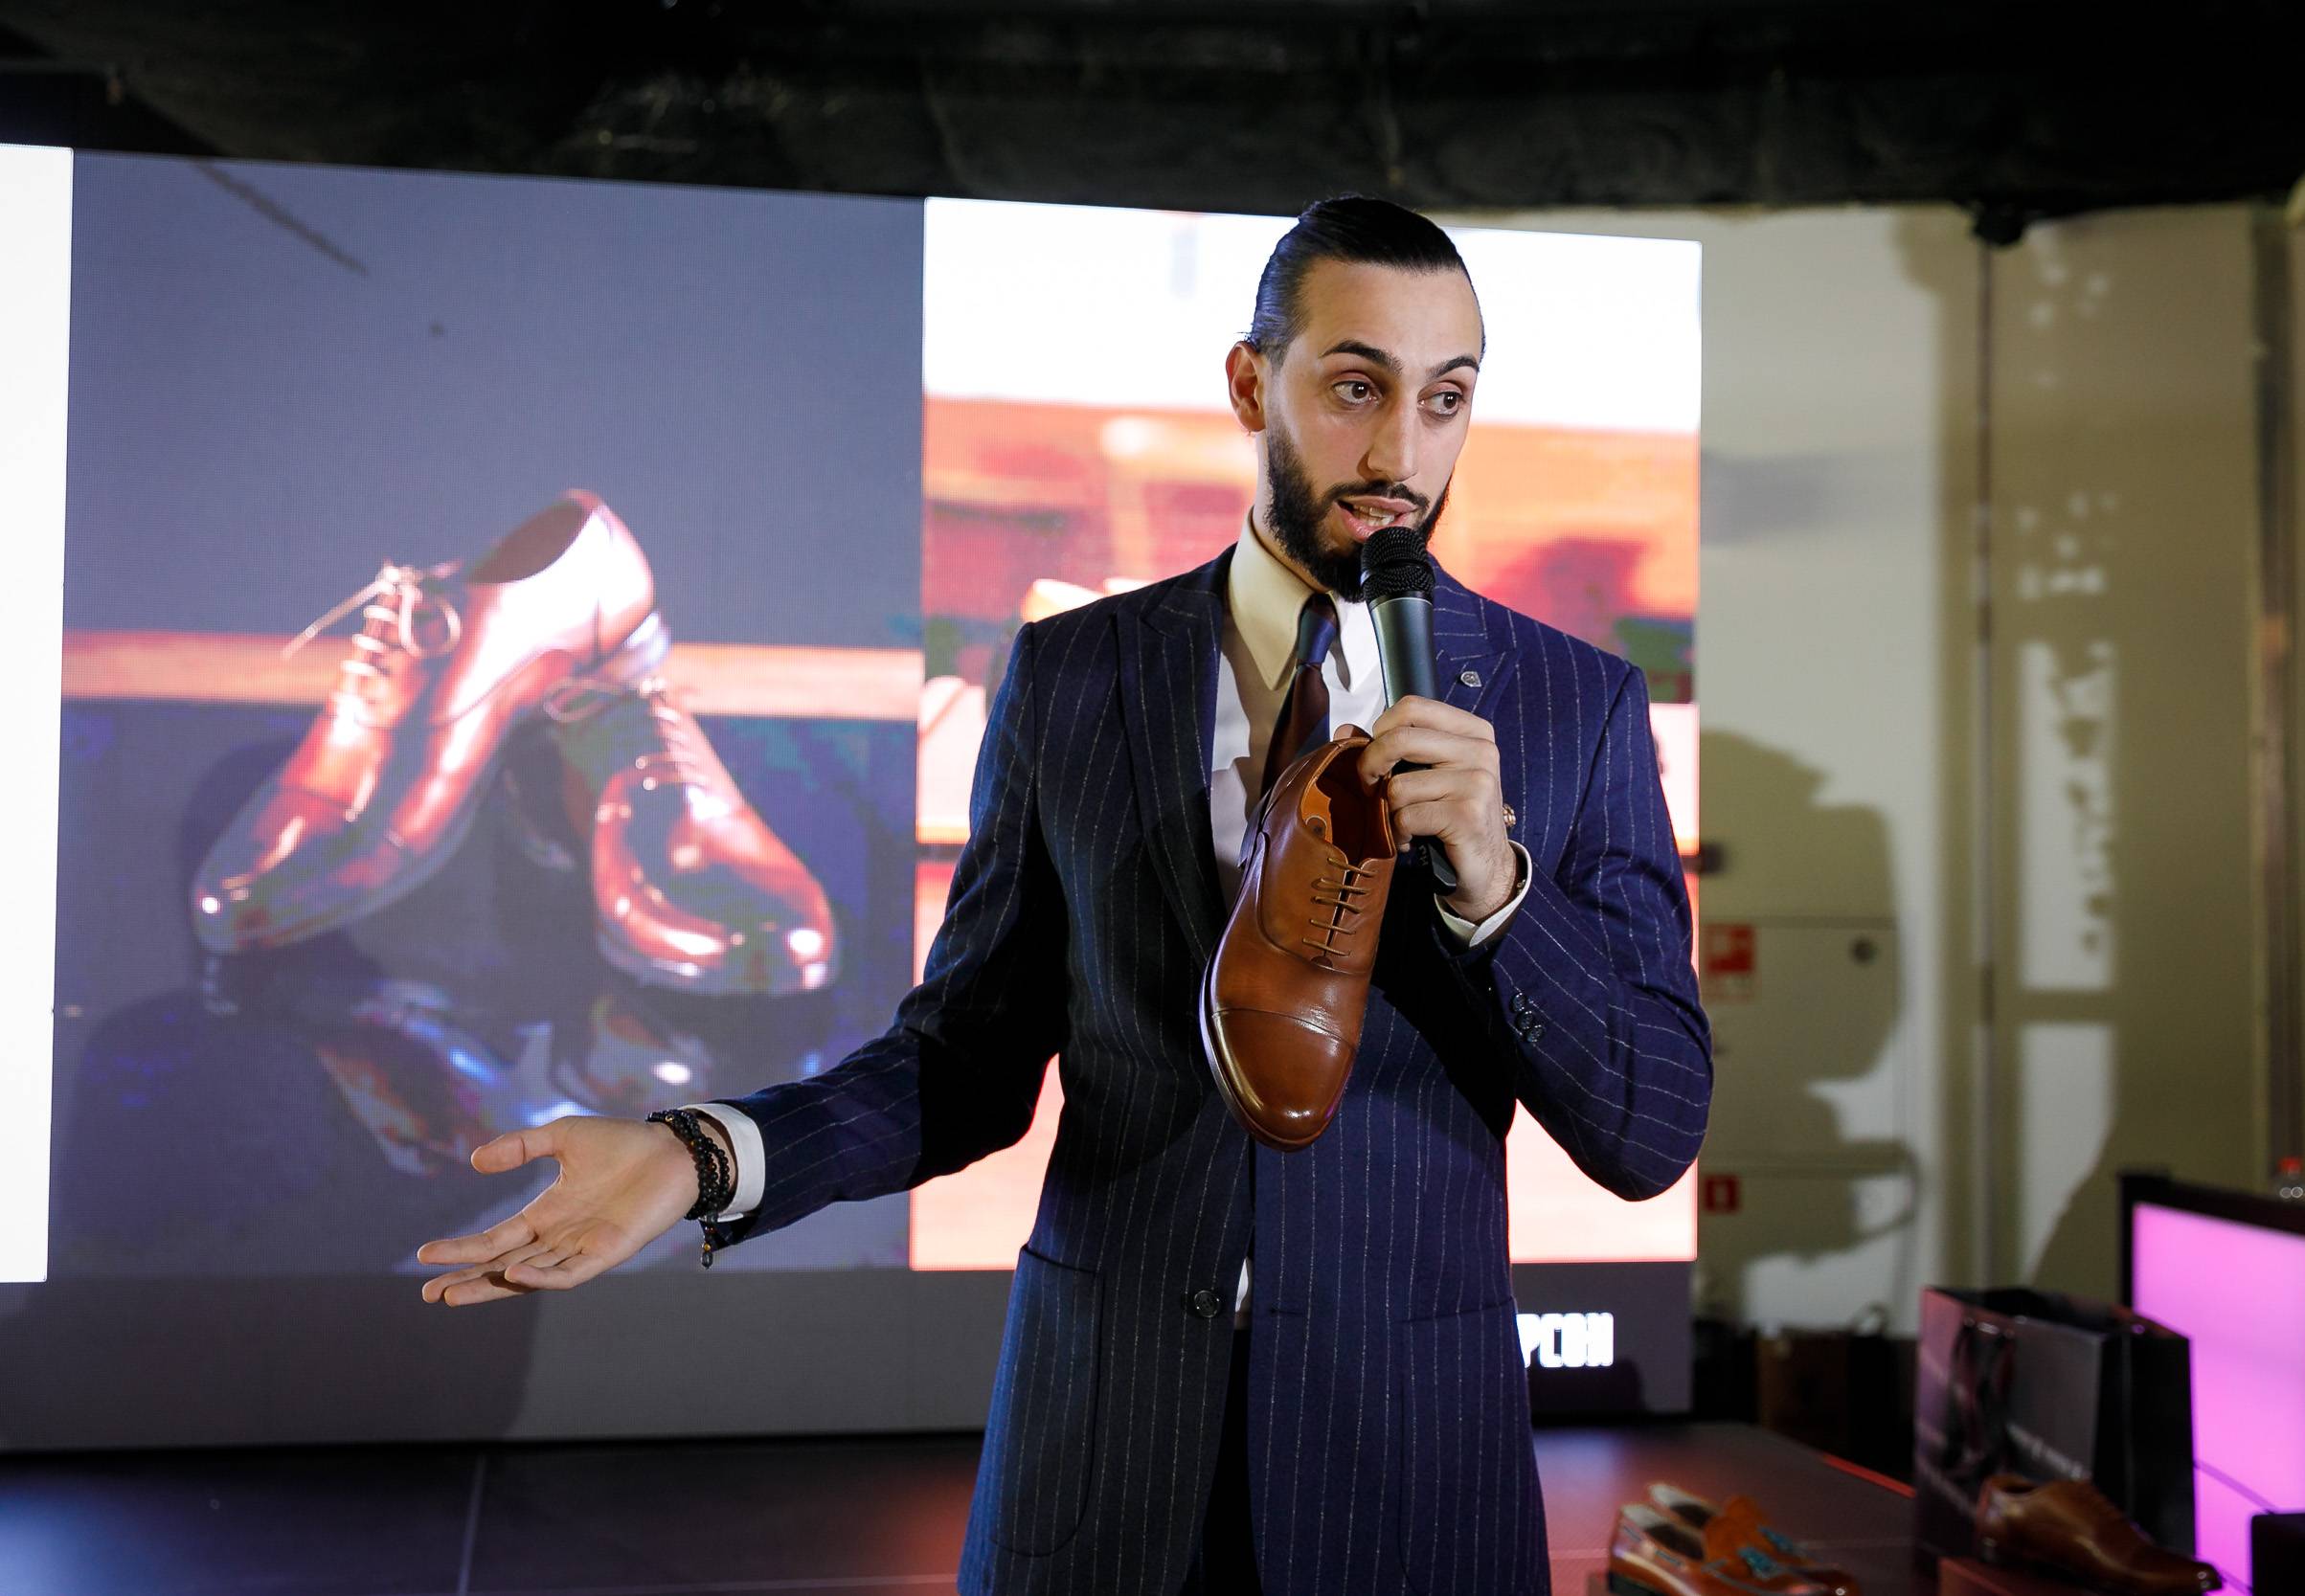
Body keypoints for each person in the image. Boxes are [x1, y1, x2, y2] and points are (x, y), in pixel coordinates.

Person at [418, 194, 1712, 1596]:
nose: (1402, 453)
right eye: (1357, 387)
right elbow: (965, 1061)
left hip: (1411, 1486)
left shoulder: (1569, 707)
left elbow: (1651, 1127)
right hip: (1102, 1466)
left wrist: (1500, 890)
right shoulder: (1076, 673)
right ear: (1250, 384)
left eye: (1444, 399)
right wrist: (707, 1156)